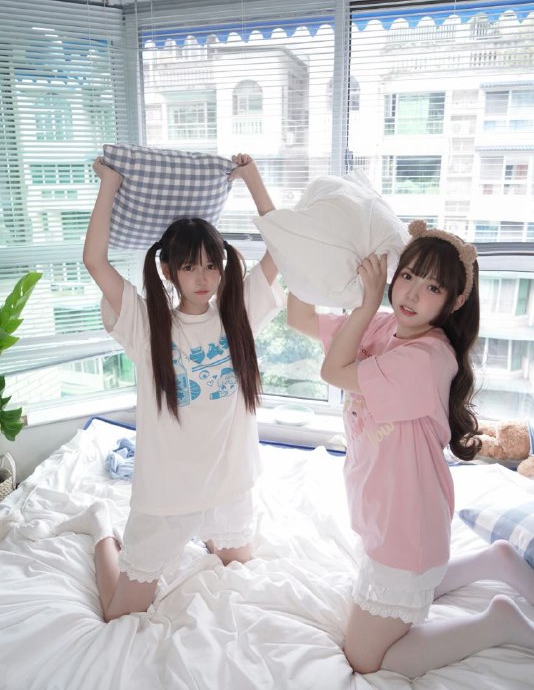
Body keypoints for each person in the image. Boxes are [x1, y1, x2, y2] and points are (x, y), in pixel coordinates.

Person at [287, 219, 534, 677]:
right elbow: (298, 318)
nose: (412, 294)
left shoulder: (426, 358)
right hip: (384, 510)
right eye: (408, 275)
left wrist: (365, 303)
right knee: (404, 585)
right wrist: (307, 239)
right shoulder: (384, 328)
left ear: (453, 302)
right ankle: (492, 560)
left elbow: (332, 372)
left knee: (364, 660)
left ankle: (496, 624)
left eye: (433, 287)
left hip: (407, 524)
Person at [61, 152, 283, 622]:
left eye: (212, 265)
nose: (203, 278)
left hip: (228, 486)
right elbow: (94, 261)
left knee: (237, 570)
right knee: (120, 613)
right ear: (168, 271)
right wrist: (109, 184)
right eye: (189, 267)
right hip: (165, 496)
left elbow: (283, 248)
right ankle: (101, 526)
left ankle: (205, 533)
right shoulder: (147, 325)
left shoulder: (237, 316)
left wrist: (252, 178)